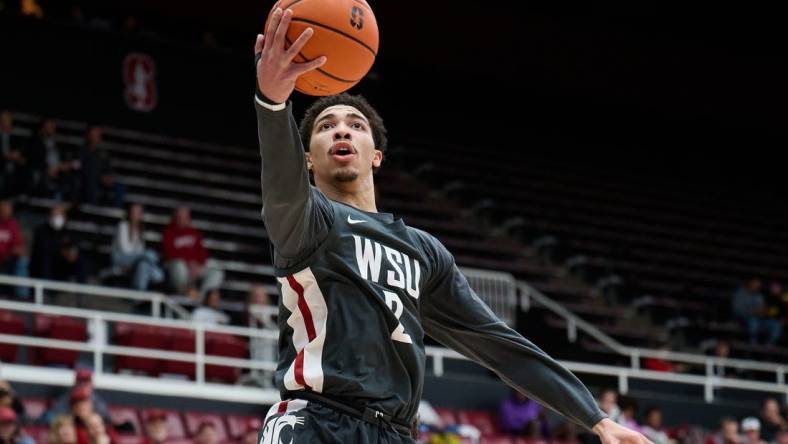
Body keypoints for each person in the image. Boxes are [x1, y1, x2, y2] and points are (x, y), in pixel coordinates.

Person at [252, 9, 650, 444]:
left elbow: (497, 343)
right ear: (307, 158)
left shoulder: (424, 252)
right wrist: (273, 103)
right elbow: (282, 187)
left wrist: (596, 418)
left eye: (356, 125)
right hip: (317, 422)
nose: (341, 131)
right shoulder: (310, 220)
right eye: (326, 127)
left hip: (396, 433)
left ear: (376, 154)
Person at [161, 207, 224, 299]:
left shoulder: (194, 233)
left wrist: (198, 264)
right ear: (175, 218)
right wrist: (188, 263)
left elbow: (202, 252)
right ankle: (184, 293)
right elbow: (169, 253)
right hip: (178, 270)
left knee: (216, 269)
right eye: (180, 217)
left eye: (185, 217)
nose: (183, 220)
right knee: (179, 266)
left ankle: (202, 297)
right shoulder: (168, 232)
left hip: (194, 268)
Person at [110, 203, 164, 291]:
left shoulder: (140, 229)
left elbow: (140, 250)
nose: (136, 215)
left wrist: (141, 257)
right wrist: (142, 256)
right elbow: (125, 249)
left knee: (144, 265)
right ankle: (157, 274)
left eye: (138, 212)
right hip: (121, 258)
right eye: (134, 212)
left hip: (135, 261)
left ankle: (139, 293)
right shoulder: (122, 226)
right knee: (150, 254)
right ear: (130, 213)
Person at [30, 204, 87, 284]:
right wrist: (61, 251)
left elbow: (74, 245)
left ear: (64, 217)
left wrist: (72, 253)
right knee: (46, 260)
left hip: (62, 264)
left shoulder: (67, 231)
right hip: (44, 264)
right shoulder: (41, 230)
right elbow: (42, 248)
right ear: (49, 216)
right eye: (54, 215)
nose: (56, 217)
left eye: (59, 215)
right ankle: (46, 290)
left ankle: (82, 291)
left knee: (80, 260)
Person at [732, 278, 781, 346]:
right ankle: (753, 344)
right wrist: (751, 312)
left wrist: (761, 312)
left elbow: (761, 310)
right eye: (754, 284)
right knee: (753, 321)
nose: (756, 286)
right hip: (742, 318)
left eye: (757, 285)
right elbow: (737, 309)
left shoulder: (759, 296)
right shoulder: (740, 292)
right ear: (750, 283)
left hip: (758, 319)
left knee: (775, 325)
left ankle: (769, 345)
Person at [0, 198, 29, 298]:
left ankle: (22, 297)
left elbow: (19, 246)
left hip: (8, 259)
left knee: (22, 262)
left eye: (8, 209)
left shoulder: (13, 225)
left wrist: (12, 251)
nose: (5, 211)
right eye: (3, 209)